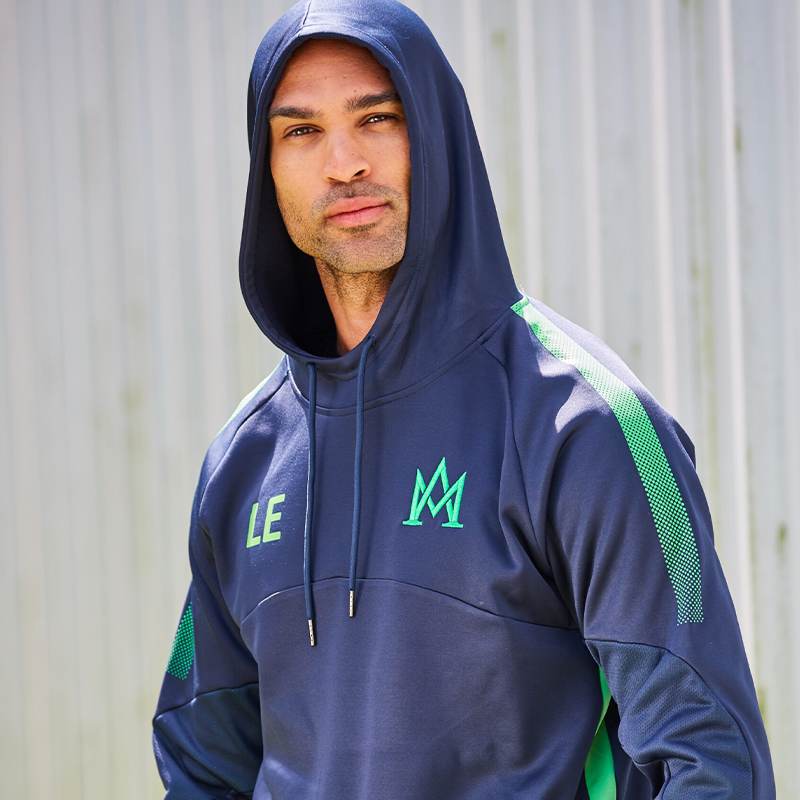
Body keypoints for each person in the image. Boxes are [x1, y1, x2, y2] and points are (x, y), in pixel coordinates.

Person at [152, 1, 774, 798]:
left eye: (377, 119)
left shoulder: (589, 428)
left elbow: (710, 758)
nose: (343, 163)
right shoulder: (240, 465)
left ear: (438, 134)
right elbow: (201, 764)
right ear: (265, 169)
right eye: (301, 131)